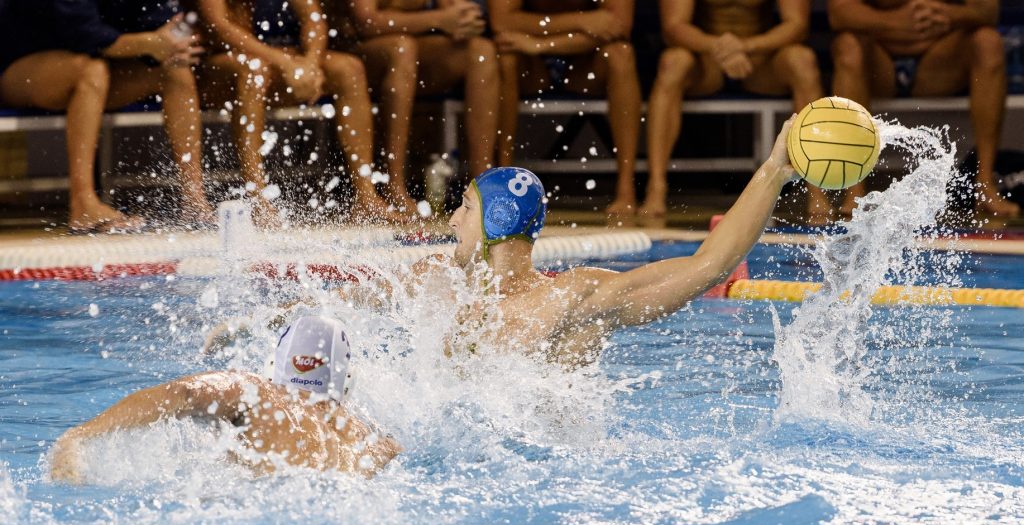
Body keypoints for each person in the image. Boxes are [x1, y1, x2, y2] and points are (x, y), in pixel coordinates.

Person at [347, 117, 798, 367]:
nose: (452, 219)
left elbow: (711, 264)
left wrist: (775, 170)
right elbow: (341, 310)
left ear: (498, 220)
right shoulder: (434, 283)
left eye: (466, 206)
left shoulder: (572, 301)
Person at [50, 316, 401, 483]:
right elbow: (392, 452)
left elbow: (184, 394)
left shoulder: (258, 392)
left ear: (274, 365)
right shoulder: (366, 437)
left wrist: (80, 435)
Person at [0, 0, 214, 233]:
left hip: (99, 66)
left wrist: (173, 43)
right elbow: (84, 36)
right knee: (90, 70)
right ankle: (83, 203)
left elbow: (157, 23)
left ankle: (194, 200)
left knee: (175, 69)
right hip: (20, 68)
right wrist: (149, 43)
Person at [193, 0, 412, 224]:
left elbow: (313, 19)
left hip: (280, 61)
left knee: (349, 69)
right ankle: (257, 197)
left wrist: (311, 63)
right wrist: (282, 61)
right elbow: (218, 27)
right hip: (225, 65)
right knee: (254, 71)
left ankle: (366, 196)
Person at [830, 0, 1019, 218]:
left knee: (988, 41)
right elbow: (839, 13)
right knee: (847, 44)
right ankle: (855, 189)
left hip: (940, 62)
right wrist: (892, 22)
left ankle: (984, 184)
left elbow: (988, 11)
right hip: (879, 66)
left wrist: (951, 13)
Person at [645, 0, 827, 223]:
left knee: (802, 60)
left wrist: (746, 46)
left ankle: (816, 189)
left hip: (760, 60)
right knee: (673, 62)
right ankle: (656, 186)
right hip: (707, 61)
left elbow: (797, 25)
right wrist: (718, 47)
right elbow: (673, 28)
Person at [324, 0, 499, 205]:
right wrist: (438, 19)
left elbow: (453, 10)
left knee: (481, 52)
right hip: (352, 50)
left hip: (412, 46)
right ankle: (394, 185)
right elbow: (367, 22)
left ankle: (483, 186)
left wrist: (464, 18)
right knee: (402, 48)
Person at [490, 0, 642, 216]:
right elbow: (502, 22)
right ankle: (501, 183)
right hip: (531, 64)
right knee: (505, 57)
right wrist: (582, 20)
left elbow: (618, 27)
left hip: (585, 61)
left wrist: (541, 43)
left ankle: (626, 189)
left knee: (621, 54)